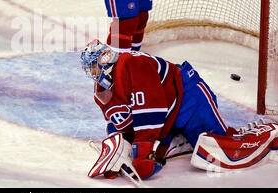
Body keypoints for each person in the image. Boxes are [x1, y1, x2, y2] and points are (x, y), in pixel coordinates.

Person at [80, 39, 278, 181]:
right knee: (196, 147)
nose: (93, 74)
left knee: (220, 151)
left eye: (94, 68)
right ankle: (180, 138)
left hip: (189, 97)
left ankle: (268, 134)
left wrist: (143, 152)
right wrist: (119, 148)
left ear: (105, 60)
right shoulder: (104, 90)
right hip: (169, 113)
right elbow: (120, 122)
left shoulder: (132, 64)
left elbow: (151, 107)